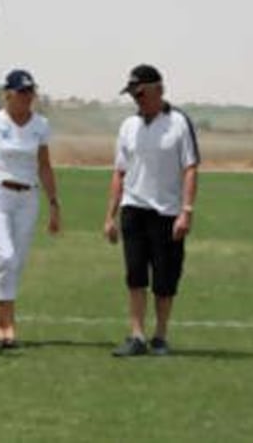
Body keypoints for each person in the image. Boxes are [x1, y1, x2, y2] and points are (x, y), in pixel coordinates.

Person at [104, 64, 200, 356]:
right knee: (135, 275)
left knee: (165, 278)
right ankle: (136, 335)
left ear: (159, 90)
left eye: (141, 93)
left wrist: (186, 211)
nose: (137, 99)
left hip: (167, 212)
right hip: (134, 209)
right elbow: (119, 172)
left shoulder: (179, 123)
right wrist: (110, 216)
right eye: (133, 94)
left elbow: (190, 168)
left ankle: (160, 336)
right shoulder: (128, 127)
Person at [0, 68, 61, 348]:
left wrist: (54, 204)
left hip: (28, 198)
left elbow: (44, 166)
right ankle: (7, 323)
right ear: (8, 94)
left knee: (16, 262)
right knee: (5, 256)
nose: (27, 97)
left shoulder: (40, 125)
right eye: (22, 92)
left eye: (30, 91)